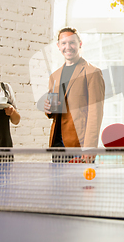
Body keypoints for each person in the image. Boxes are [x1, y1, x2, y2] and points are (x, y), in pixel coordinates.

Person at [44, 27, 105, 157]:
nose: (68, 47)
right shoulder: (54, 76)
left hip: (79, 145)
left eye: (72, 42)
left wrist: (89, 148)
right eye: (63, 43)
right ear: (58, 46)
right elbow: (54, 110)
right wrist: (49, 110)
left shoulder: (92, 73)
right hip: (57, 144)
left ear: (80, 44)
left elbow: (96, 113)